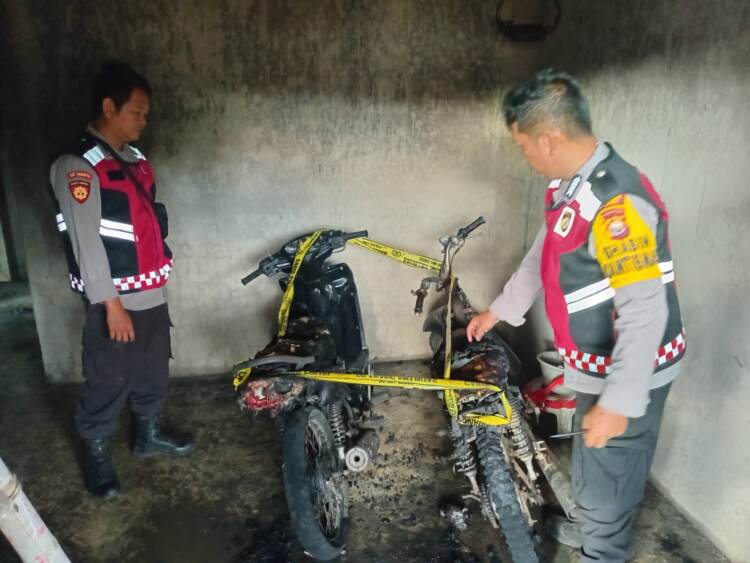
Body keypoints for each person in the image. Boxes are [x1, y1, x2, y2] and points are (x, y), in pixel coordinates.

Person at [467, 69, 685, 561]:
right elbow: (542, 255)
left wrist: (620, 400)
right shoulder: (571, 188)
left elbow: (644, 308)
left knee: (607, 483)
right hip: (596, 367)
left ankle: (599, 544)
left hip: (630, 369)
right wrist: (499, 311)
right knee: (594, 464)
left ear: (548, 139)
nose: (525, 157)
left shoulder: (616, 205)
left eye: (523, 146)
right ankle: (590, 525)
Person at [50, 61, 194, 499]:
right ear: (109, 107)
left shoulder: (134, 160)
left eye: (146, 113)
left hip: (150, 292)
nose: (143, 120)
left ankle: (147, 434)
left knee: (153, 366)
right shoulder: (78, 165)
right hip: (113, 300)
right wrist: (110, 305)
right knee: (109, 376)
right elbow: (86, 242)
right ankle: (96, 451)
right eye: (136, 111)